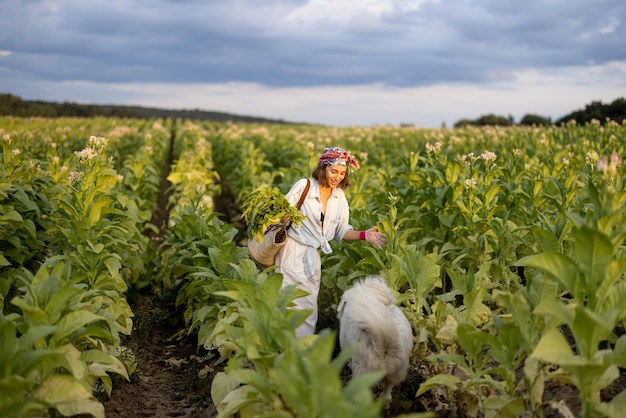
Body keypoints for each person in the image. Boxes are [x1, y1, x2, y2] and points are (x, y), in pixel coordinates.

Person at [275, 146, 387, 338]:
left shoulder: (339, 197)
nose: (338, 177)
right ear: (323, 168)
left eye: (342, 173)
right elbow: (280, 211)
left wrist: (364, 235)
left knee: (309, 306)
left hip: (313, 257)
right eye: (334, 171)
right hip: (292, 251)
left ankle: (303, 352)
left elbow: (341, 230)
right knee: (290, 302)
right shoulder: (304, 186)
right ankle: (287, 353)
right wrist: (283, 217)